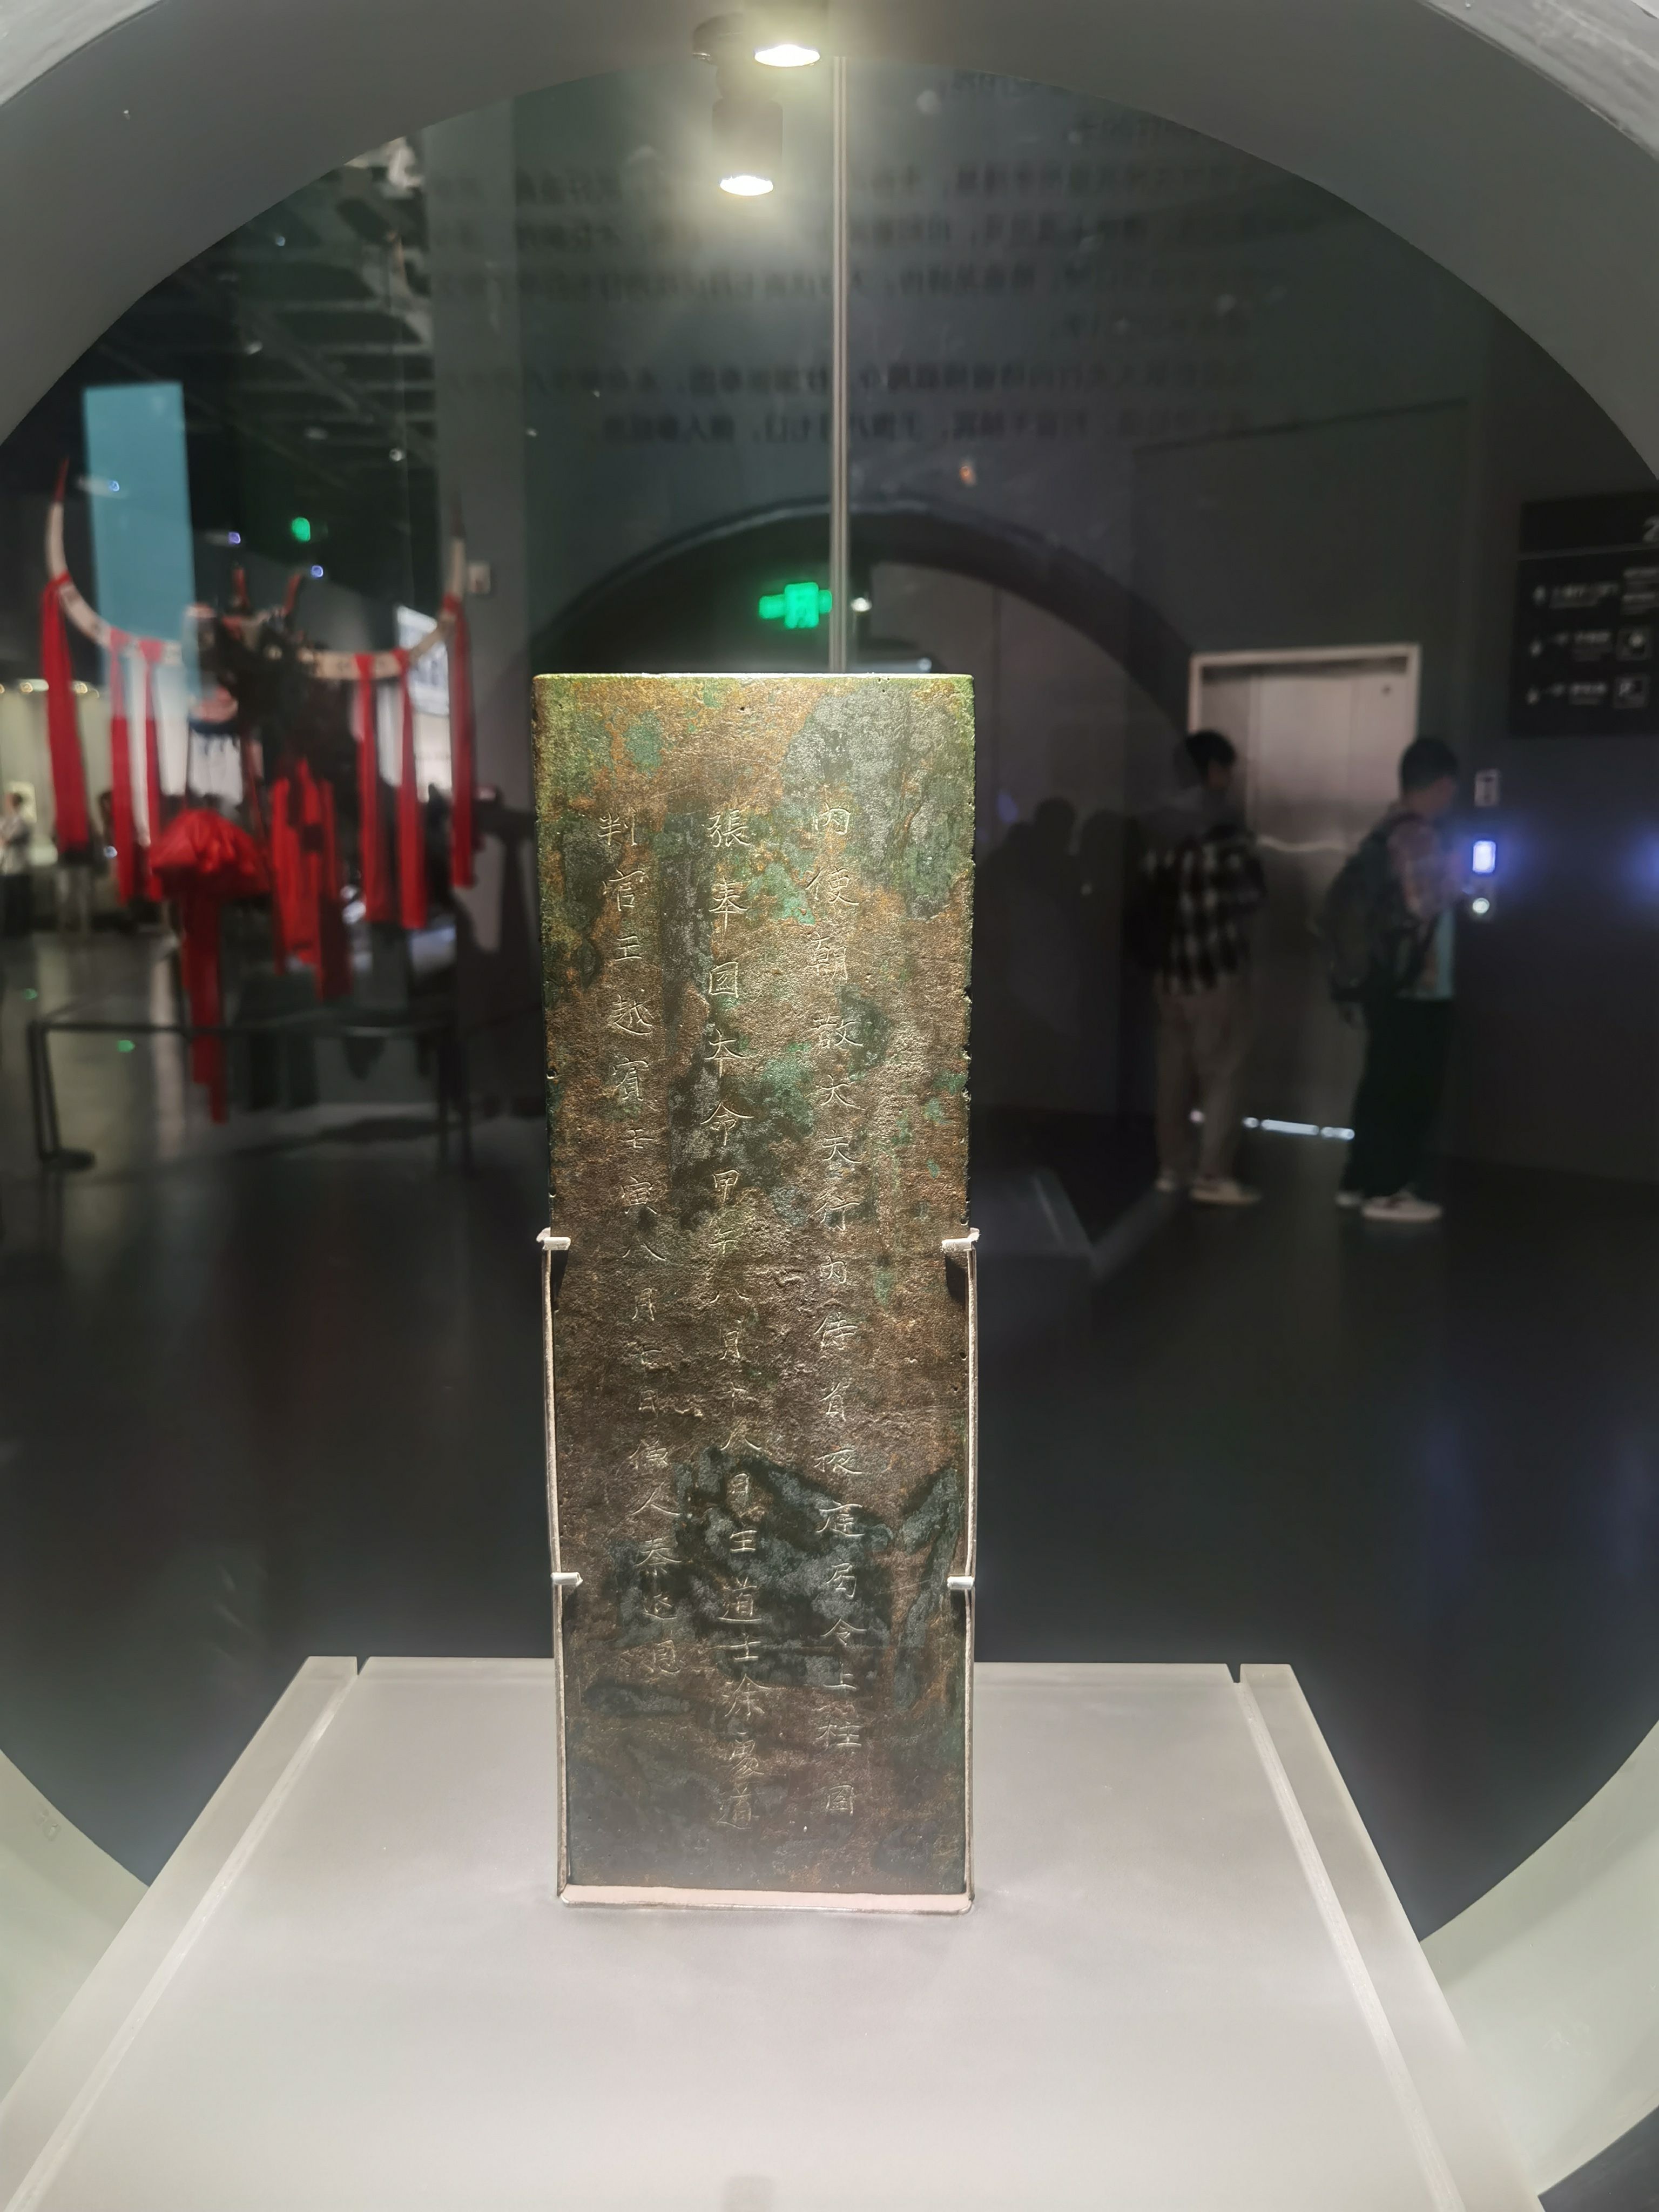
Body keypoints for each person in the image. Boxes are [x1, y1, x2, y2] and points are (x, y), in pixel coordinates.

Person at [1137, 730, 1266, 1205]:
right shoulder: (1225, 828)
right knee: (1223, 1073)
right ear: (1212, 771)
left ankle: (1173, 1168)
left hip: (1168, 973)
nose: (1229, 779)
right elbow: (1251, 895)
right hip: (1214, 971)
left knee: (1173, 1075)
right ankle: (1213, 1175)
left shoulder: (1156, 825)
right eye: (1226, 769)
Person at [1339, 735, 1462, 1225]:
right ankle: (1388, 1189)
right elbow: (1424, 903)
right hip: (1417, 983)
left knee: (1380, 1081)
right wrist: (1458, 874)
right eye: (1450, 789)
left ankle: (1358, 1180)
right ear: (1440, 786)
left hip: (1384, 979)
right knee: (1409, 1089)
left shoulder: (1382, 830)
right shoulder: (1417, 835)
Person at [1, 787, 35, 937]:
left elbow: (8, 841)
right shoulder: (5, 821)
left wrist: (4, 838)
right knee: (8, 901)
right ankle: (9, 929)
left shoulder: (22, 822)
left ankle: (21, 930)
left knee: (19, 900)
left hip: (19, 867)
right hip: (6, 867)